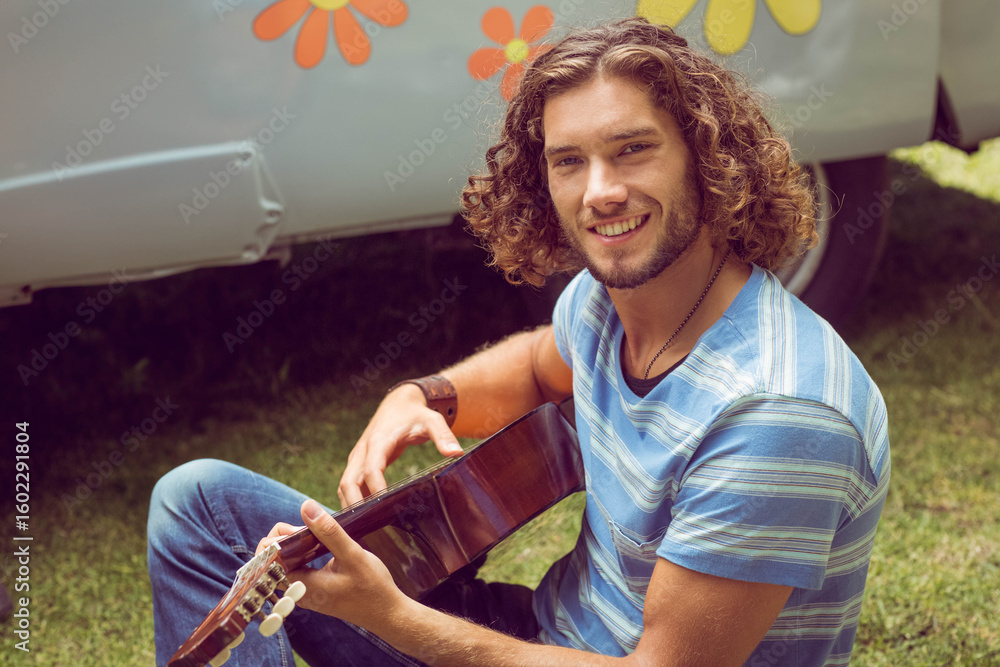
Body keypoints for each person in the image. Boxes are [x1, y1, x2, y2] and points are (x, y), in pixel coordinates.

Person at [148, 17, 890, 667]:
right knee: (198, 502)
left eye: (633, 150)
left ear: (707, 158)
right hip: (537, 635)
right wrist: (422, 394)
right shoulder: (608, 303)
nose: (599, 190)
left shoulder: (779, 414)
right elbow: (540, 365)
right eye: (569, 161)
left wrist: (392, 618)